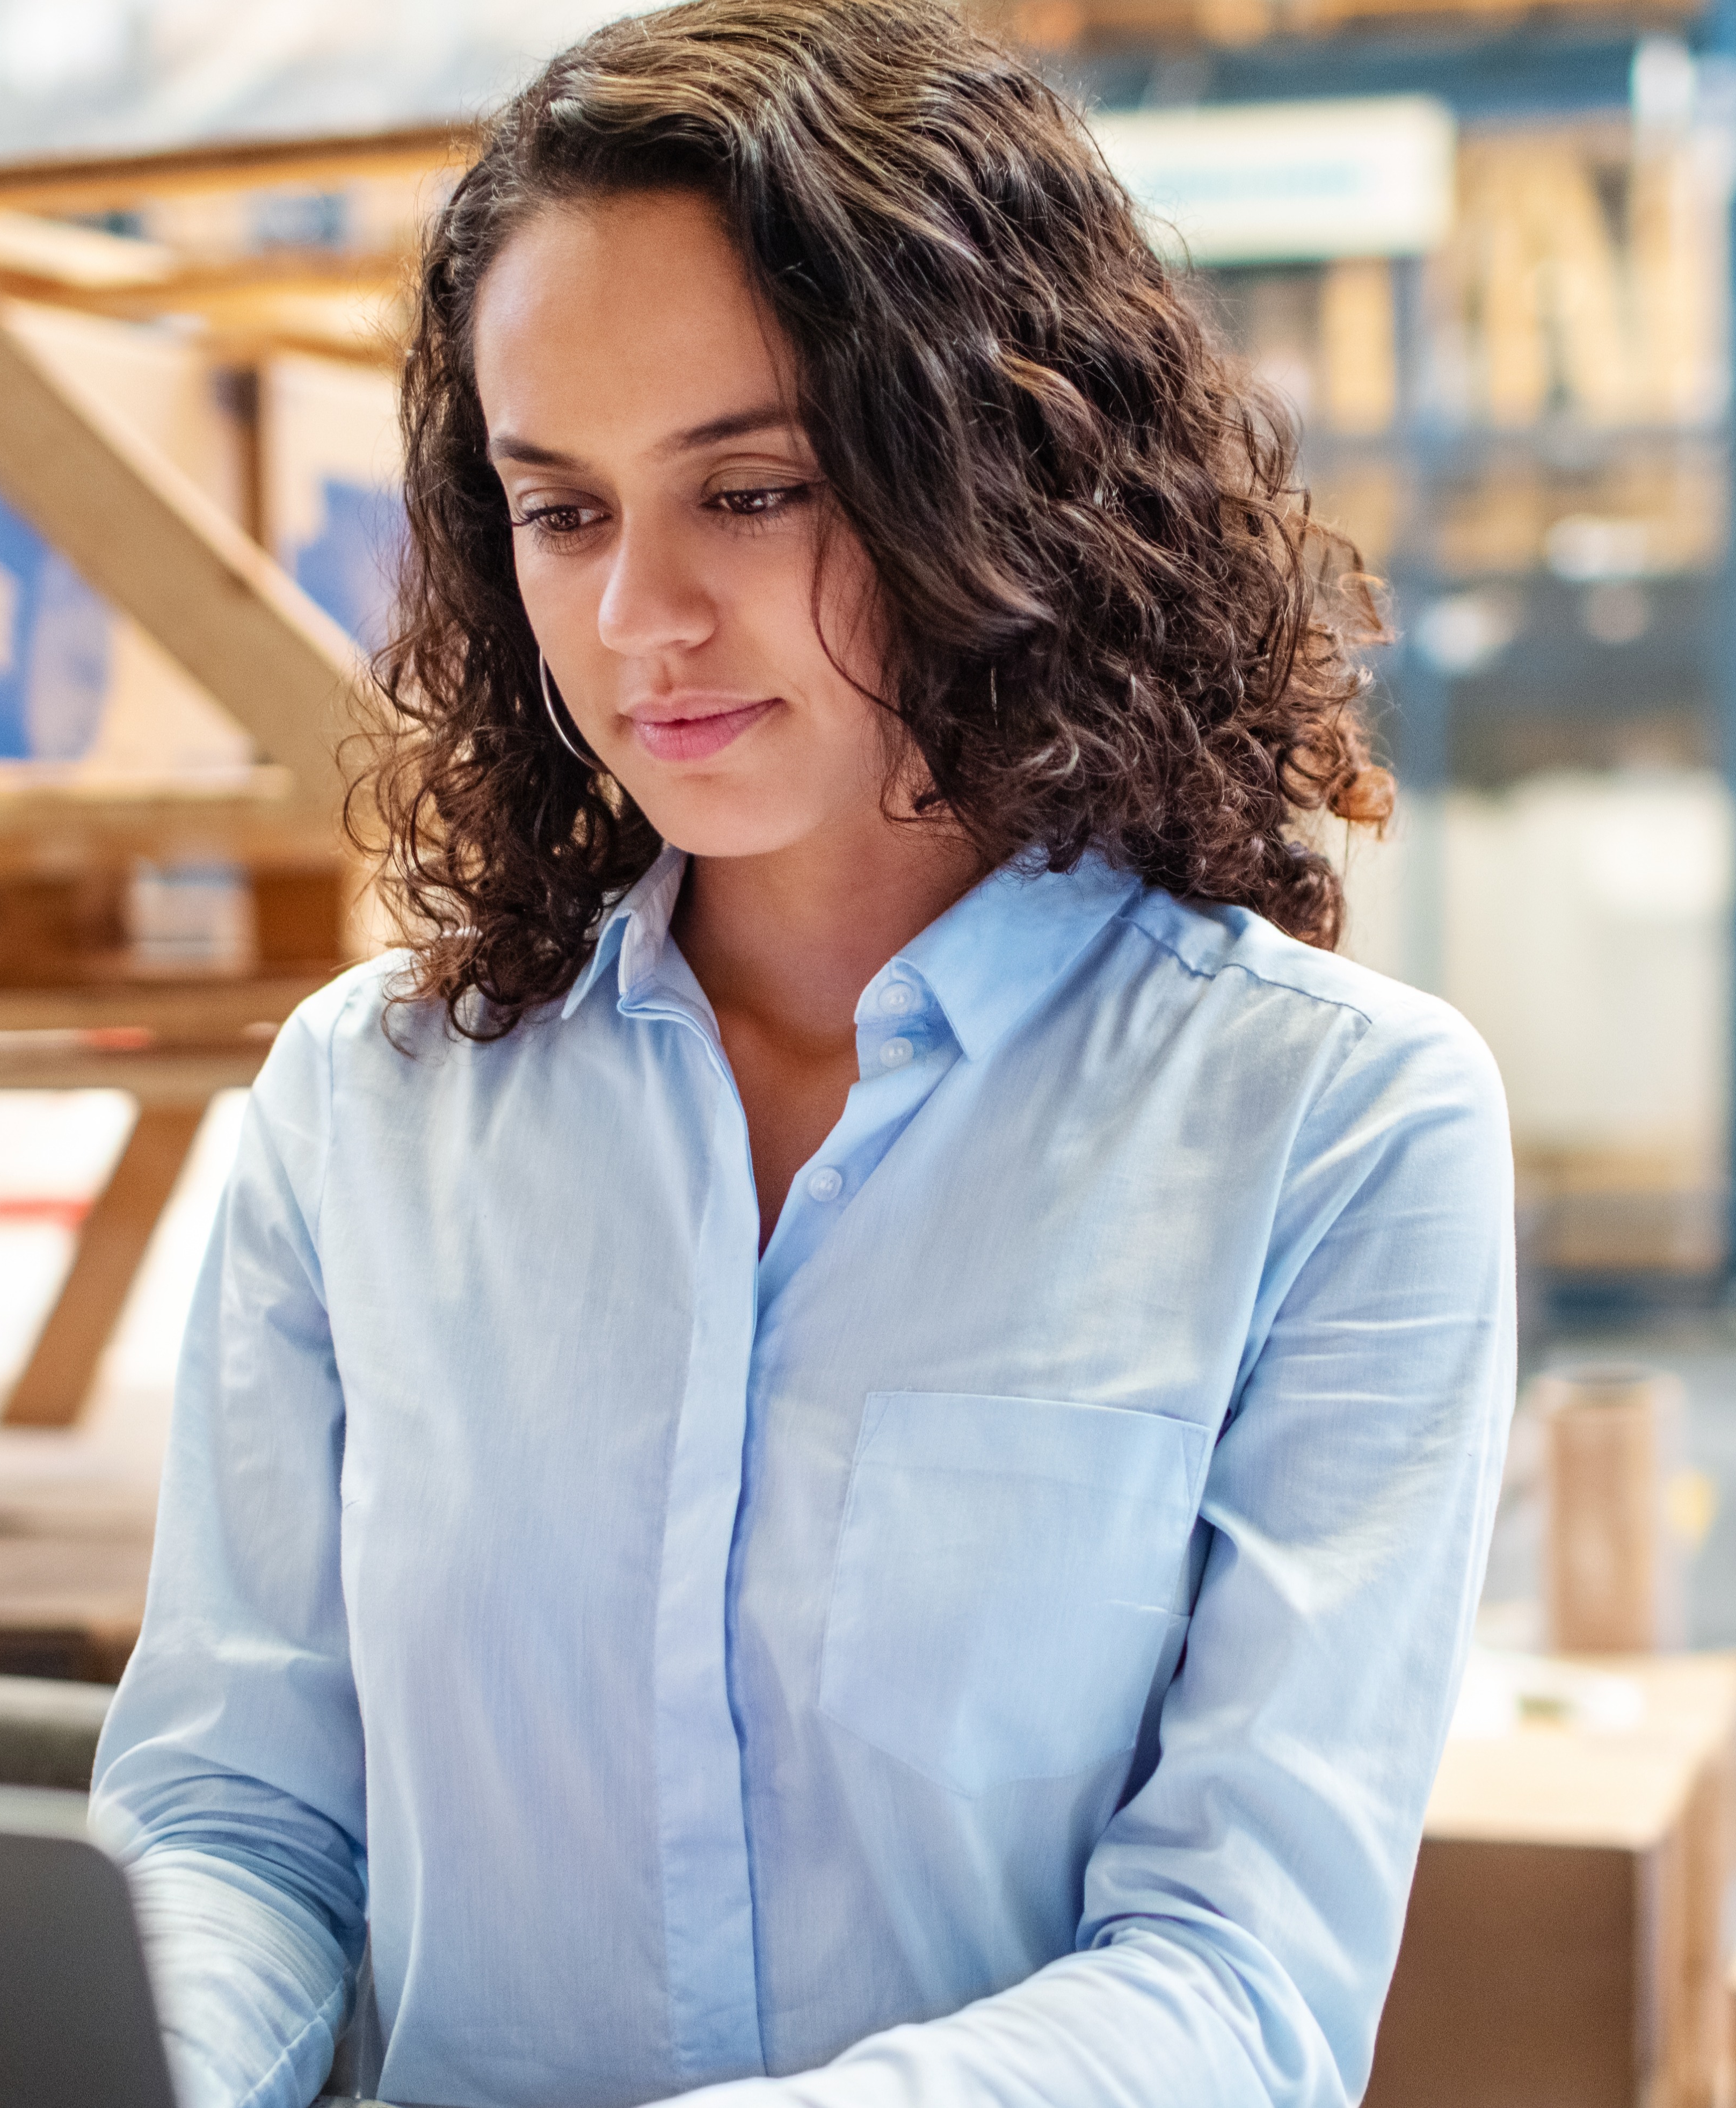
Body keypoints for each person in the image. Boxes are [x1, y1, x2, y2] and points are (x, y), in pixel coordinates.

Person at [91, 5, 1516, 2103]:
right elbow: (241, 1821)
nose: (638, 618)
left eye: (748, 492)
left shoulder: (1333, 1128)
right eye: (559, 512)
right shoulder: (363, 1103)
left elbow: (1240, 1983)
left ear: (999, 473)